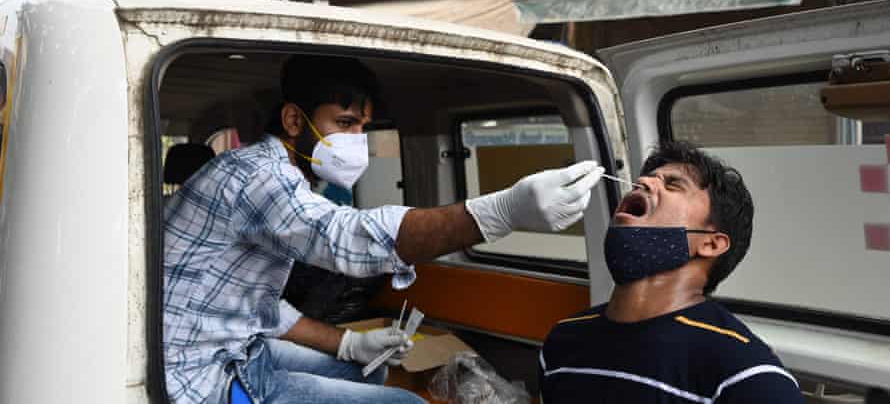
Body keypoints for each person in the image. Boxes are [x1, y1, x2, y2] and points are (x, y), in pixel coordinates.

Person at [163, 54, 605, 404]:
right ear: (295, 121)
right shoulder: (258, 176)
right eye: (344, 123)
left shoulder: (262, 171)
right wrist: (501, 212)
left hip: (238, 347)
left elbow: (254, 307)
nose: (357, 140)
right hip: (200, 376)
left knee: (360, 371)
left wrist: (349, 344)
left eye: (362, 127)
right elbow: (346, 238)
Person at [539, 141, 805, 403]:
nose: (643, 182)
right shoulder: (564, 339)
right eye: (646, 178)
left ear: (711, 243)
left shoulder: (748, 376)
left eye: (672, 185)